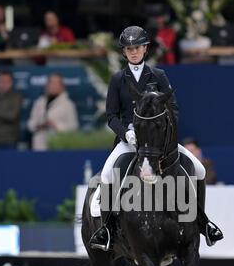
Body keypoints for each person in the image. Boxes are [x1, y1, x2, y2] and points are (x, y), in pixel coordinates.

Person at [90, 26, 223, 251]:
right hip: (129, 142)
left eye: (137, 47)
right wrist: (126, 133)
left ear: (145, 49)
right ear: (124, 52)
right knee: (106, 173)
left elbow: (174, 109)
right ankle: (107, 229)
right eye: (129, 48)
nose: (133, 52)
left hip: (158, 142)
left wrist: (164, 134)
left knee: (198, 169)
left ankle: (203, 222)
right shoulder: (117, 79)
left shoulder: (158, 75)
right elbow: (111, 116)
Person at [27, 74, 78, 151]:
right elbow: (30, 123)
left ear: (62, 86)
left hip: (59, 145)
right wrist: (37, 125)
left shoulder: (68, 104)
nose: (53, 86)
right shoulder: (39, 102)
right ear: (47, 85)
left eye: (56, 83)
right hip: (40, 145)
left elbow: (73, 127)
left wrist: (55, 125)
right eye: (51, 83)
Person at [0, 71, 23, 148]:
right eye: (1, 81)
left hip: (8, 139)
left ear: (11, 83)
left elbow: (11, 116)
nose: (3, 84)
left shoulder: (16, 97)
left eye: (6, 81)